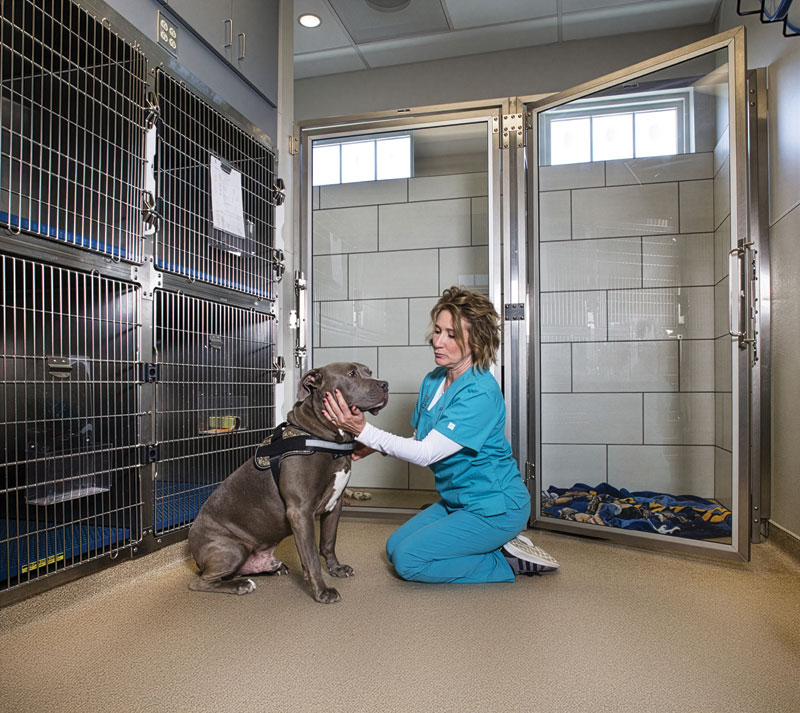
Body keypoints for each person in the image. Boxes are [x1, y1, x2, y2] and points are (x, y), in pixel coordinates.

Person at [321, 286, 559, 584]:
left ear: (477, 341)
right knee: (395, 548)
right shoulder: (434, 380)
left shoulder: (480, 392)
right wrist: (372, 444)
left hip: (495, 507)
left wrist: (364, 430)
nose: (438, 341)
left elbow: (427, 454)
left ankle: (503, 561)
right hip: (456, 500)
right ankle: (491, 544)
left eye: (451, 334)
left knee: (409, 562)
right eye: (437, 330)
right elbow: (423, 441)